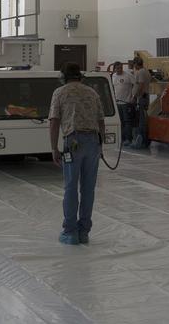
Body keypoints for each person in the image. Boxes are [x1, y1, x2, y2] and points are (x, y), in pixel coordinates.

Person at [49, 61, 106, 245]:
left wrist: (54, 148)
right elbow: (101, 121)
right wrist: (100, 146)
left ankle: (70, 232)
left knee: (71, 187)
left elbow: (54, 122)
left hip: (72, 142)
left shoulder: (60, 92)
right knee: (88, 188)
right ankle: (84, 232)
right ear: (80, 76)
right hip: (93, 142)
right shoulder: (92, 92)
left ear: (63, 77)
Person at [111, 61, 136, 144]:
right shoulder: (113, 76)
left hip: (126, 102)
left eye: (121, 68)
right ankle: (121, 138)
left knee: (127, 121)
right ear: (114, 69)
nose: (119, 69)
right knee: (120, 121)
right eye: (117, 68)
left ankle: (128, 139)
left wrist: (133, 97)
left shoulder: (128, 75)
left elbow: (136, 85)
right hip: (117, 103)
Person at [131, 57, 152, 148]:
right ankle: (142, 140)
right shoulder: (146, 71)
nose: (133, 66)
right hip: (144, 97)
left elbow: (141, 86)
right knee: (142, 119)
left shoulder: (141, 72)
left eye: (134, 64)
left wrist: (135, 97)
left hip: (141, 98)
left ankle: (140, 141)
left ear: (136, 64)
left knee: (140, 120)